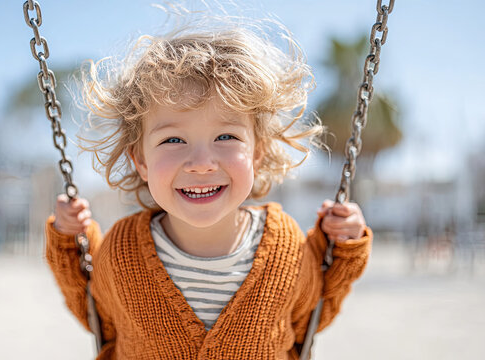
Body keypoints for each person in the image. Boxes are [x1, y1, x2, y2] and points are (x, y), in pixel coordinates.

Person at [45, 12, 372, 359]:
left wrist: (341, 245)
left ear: (257, 152)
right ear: (140, 160)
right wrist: (70, 240)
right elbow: (96, 313)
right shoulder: (121, 251)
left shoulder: (287, 249)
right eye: (173, 140)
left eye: (226, 136)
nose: (201, 163)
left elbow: (312, 314)